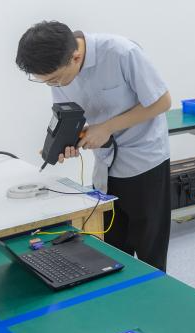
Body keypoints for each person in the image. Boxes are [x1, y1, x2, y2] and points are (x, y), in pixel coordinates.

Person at [15, 21, 173, 271]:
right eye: (47, 82)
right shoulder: (60, 74)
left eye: (55, 80)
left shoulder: (122, 53)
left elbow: (162, 102)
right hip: (105, 166)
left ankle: (153, 293)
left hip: (145, 160)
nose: (54, 85)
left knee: (149, 250)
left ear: (76, 57)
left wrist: (107, 127)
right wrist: (65, 142)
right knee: (111, 247)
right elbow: (70, 114)